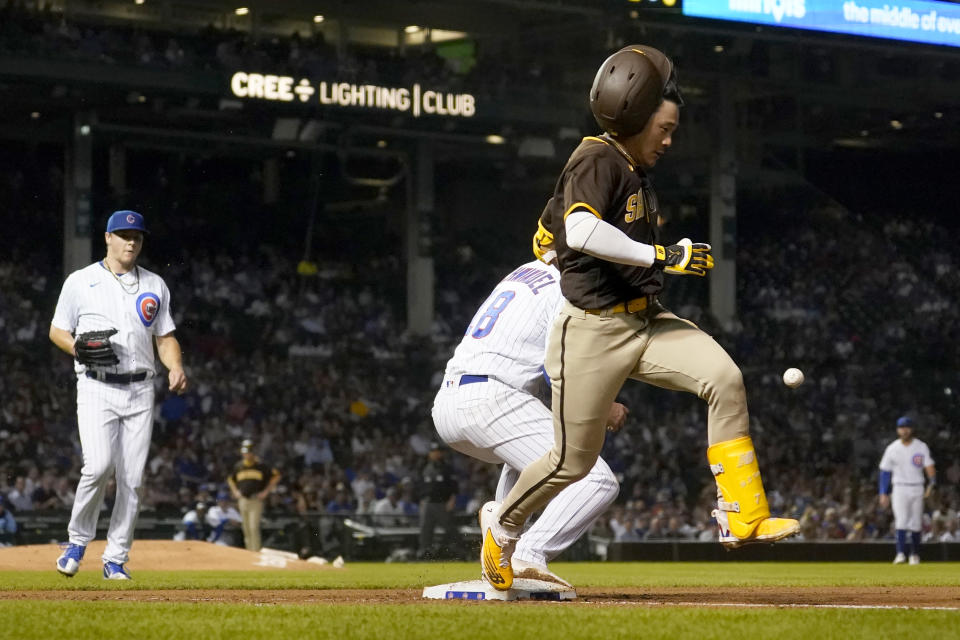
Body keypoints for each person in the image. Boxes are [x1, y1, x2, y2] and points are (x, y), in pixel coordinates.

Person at [478, 45, 798, 590]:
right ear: (633, 118)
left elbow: (557, 234)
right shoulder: (596, 158)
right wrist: (664, 255)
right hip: (591, 332)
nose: (670, 139)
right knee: (570, 464)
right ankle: (503, 526)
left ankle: (741, 514)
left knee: (725, 378)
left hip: (646, 321)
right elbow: (578, 231)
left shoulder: (627, 167)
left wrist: (560, 241)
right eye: (664, 128)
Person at [433, 257, 625, 587]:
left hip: (451, 399)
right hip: (492, 397)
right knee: (598, 481)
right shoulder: (570, 286)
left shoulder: (524, 272)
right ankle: (528, 552)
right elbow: (559, 368)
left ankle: (499, 551)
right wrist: (604, 407)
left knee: (531, 464)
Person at [51, 210, 187, 580]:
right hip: (97, 384)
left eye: (137, 236)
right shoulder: (81, 281)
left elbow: (165, 336)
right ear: (107, 238)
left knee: (132, 479)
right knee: (97, 466)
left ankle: (115, 558)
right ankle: (77, 541)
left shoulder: (155, 285)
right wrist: (78, 349)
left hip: (141, 388)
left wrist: (174, 366)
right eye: (123, 235)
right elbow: (57, 330)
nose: (131, 241)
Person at [878, 416, 936, 565]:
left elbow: (929, 466)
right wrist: (883, 492)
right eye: (901, 427)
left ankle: (915, 555)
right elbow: (885, 472)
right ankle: (900, 554)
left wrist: (932, 481)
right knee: (901, 521)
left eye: (907, 427)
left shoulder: (920, 446)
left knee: (916, 523)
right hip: (899, 487)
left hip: (917, 487)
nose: (904, 430)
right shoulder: (892, 448)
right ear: (898, 430)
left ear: (912, 429)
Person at [227, 439, 281, 551]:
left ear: (253, 452)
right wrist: (235, 491)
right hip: (243, 500)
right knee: (246, 528)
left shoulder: (261, 465)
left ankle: (255, 552)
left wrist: (266, 491)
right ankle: (249, 554)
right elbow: (231, 479)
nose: (246, 454)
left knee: (253, 527)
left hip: (255, 499)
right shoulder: (239, 466)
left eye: (248, 452)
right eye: (245, 452)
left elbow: (276, 476)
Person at [416, 443, 459, 560]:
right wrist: (420, 500)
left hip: (442, 503)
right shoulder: (424, 467)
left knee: (449, 528)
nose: (435, 454)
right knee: (425, 528)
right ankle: (424, 552)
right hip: (427, 503)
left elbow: (454, 486)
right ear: (430, 453)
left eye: (437, 451)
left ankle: (456, 550)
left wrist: (452, 500)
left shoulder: (447, 468)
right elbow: (419, 486)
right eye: (433, 451)